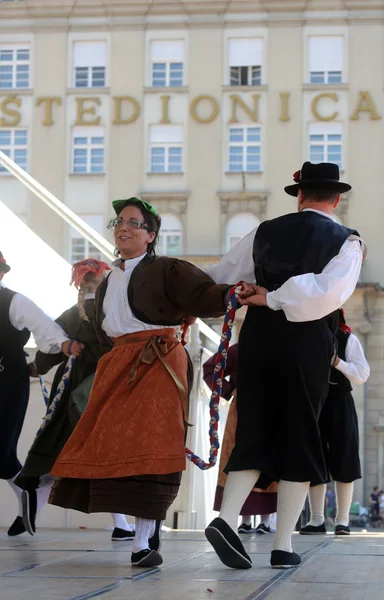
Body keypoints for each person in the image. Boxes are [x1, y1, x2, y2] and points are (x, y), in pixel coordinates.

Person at [47, 197, 254, 568]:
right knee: (108, 442)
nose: (123, 227)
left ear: (150, 235)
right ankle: (132, 526)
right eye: (118, 222)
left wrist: (230, 294)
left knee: (153, 441)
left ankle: (143, 541)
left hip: (158, 361)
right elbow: (105, 331)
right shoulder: (110, 280)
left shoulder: (167, 269)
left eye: (133, 223)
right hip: (118, 364)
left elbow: (201, 293)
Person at [203, 162, 366, 570]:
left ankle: (226, 519)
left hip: (257, 338)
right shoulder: (347, 241)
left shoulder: (263, 230)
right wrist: (274, 297)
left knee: (254, 426)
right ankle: (282, 544)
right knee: (301, 433)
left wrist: (248, 296)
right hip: (306, 342)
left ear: (299, 196)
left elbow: (222, 275)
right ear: (337, 199)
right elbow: (327, 293)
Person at [14, 259, 133, 541]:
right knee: (107, 459)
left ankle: (32, 506)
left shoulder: (71, 314)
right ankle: (124, 526)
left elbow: (49, 348)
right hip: (102, 392)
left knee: (62, 452)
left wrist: (37, 368)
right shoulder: (111, 314)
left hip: (69, 393)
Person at [0, 251, 83, 537]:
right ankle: (27, 492)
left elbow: (44, 326)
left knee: (0, 449)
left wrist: (63, 345)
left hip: (7, 380)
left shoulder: (14, 301)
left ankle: (28, 491)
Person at [299, 309, 370, 536]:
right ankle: (317, 519)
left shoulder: (348, 338)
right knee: (314, 458)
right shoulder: (306, 337)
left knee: (345, 458)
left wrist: (338, 362)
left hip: (340, 401)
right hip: (314, 402)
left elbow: (362, 374)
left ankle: (343, 520)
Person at [203, 343, 278, 534]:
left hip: (273, 410)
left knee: (268, 459)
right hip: (242, 411)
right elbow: (211, 368)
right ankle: (244, 520)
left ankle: (265, 520)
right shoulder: (238, 349)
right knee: (241, 458)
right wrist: (229, 390)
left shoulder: (280, 346)